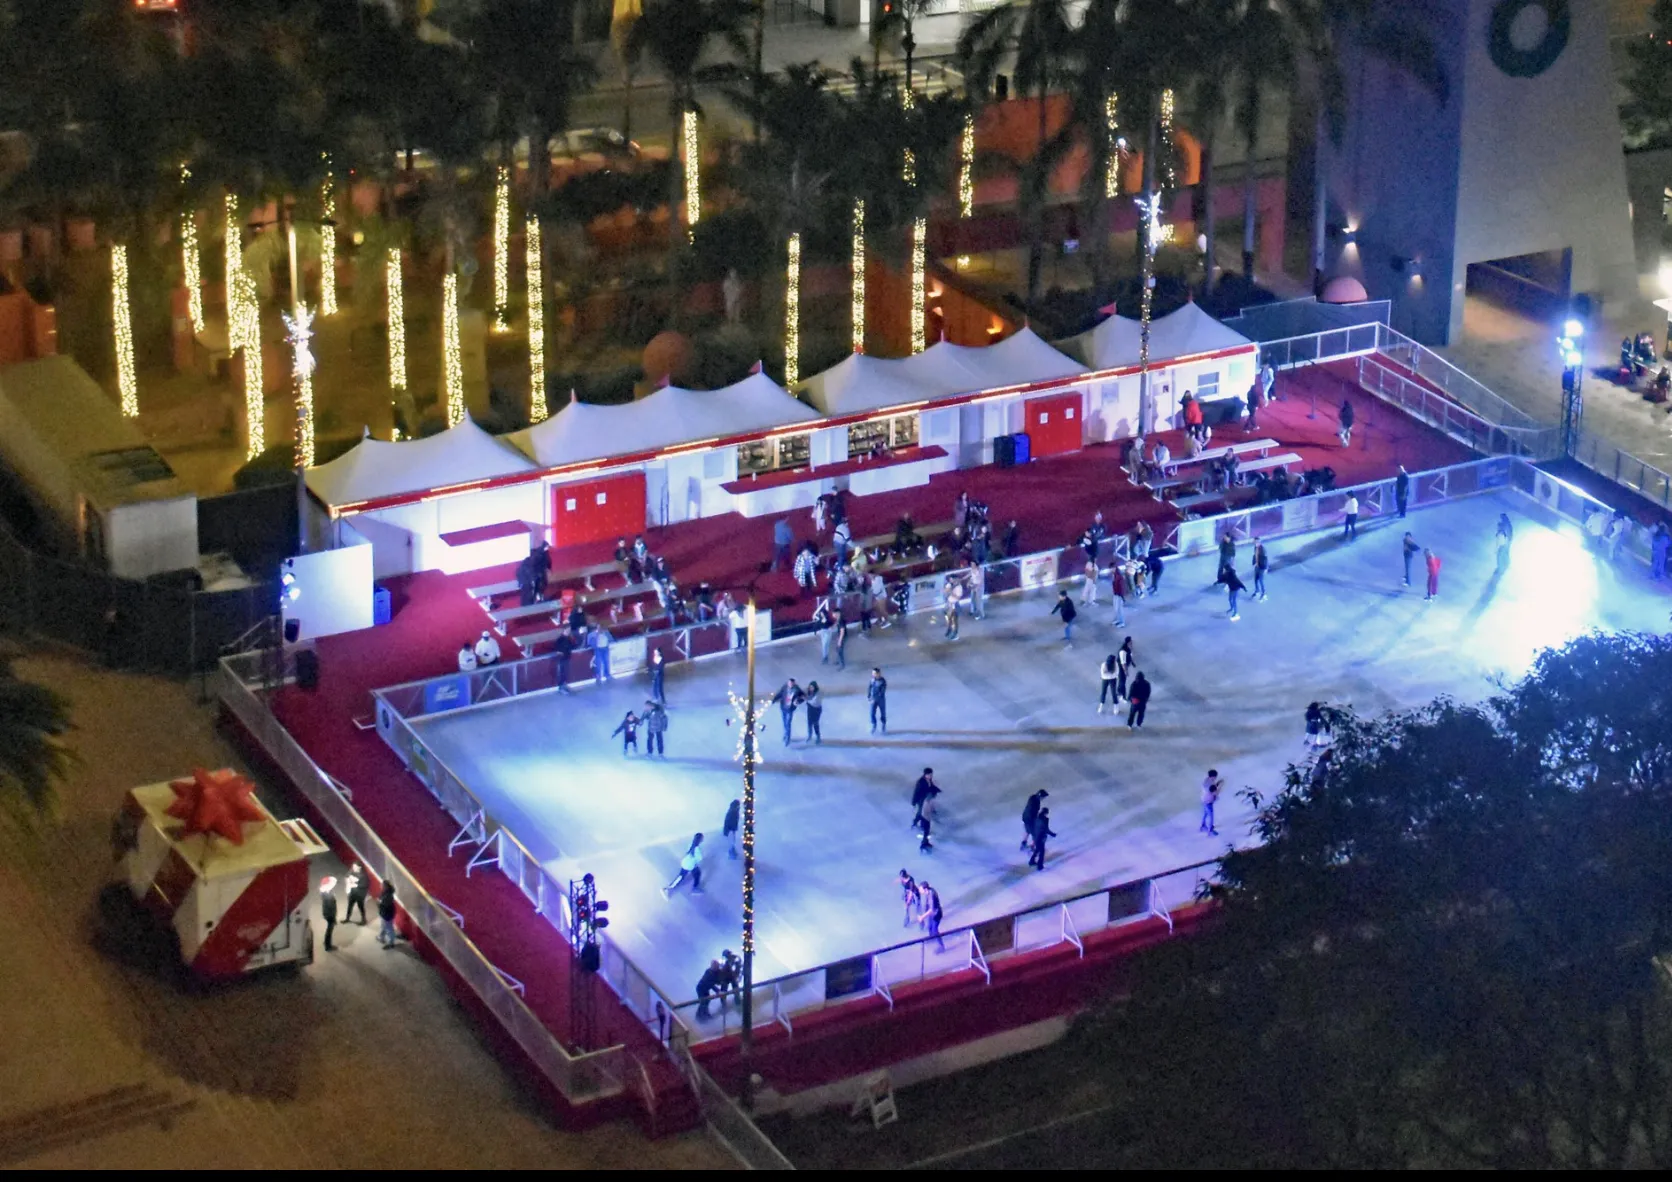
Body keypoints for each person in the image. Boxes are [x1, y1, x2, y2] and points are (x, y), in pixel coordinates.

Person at [773, 678, 803, 746]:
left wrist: (798, 701)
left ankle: (787, 738)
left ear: (794, 683)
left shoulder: (797, 689)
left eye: (791, 683)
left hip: (790, 709)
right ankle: (786, 734)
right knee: (784, 722)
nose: (790, 685)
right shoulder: (784, 687)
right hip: (783, 707)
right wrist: (774, 700)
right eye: (789, 683)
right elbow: (780, 694)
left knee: (788, 723)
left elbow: (802, 696)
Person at [917, 880, 945, 952]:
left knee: (935, 930)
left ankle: (941, 946)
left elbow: (931, 910)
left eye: (920, 889)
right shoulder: (928, 891)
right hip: (932, 914)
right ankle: (932, 938)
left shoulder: (931, 895)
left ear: (925, 889)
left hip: (937, 914)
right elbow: (926, 905)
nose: (919, 890)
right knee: (929, 927)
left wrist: (922, 917)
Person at [915, 783, 939, 854]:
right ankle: (923, 844)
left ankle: (925, 843)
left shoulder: (928, 800)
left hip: (925, 819)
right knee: (926, 832)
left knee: (926, 832)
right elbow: (928, 810)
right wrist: (933, 813)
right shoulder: (929, 801)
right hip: (926, 819)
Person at [319, 876, 339, 952]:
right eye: (332, 884)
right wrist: (334, 918)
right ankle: (328, 946)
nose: (333, 885)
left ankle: (326, 942)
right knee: (329, 930)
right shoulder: (328, 895)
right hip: (330, 914)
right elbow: (331, 908)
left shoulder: (325, 891)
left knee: (329, 929)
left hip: (327, 913)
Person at [1200, 770, 1222, 836]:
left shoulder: (1206, 780)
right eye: (1215, 777)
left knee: (1205, 813)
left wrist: (1216, 785)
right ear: (1213, 776)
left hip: (1204, 800)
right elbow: (1215, 792)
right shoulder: (1211, 784)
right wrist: (1219, 787)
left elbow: (1212, 788)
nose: (1215, 778)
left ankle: (1203, 826)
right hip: (1209, 801)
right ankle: (1210, 831)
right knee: (1211, 816)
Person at [377, 880, 399, 947]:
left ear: (385, 886)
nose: (380, 886)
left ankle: (391, 942)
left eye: (382, 885)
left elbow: (383, 904)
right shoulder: (386, 893)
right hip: (385, 913)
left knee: (389, 928)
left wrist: (379, 903)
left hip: (387, 914)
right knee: (383, 926)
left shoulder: (387, 895)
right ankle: (381, 937)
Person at [868, 668, 888, 734]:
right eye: (872, 673)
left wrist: (874, 698)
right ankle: (874, 725)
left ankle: (883, 725)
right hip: (873, 699)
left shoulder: (882, 681)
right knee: (872, 713)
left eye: (874, 673)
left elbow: (882, 691)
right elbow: (869, 688)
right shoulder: (872, 680)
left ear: (878, 674)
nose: (873, 675)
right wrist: (869, 697)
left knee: (883, 713)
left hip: (880, 700)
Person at [1251, 536, 1269, 600]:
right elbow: (1255, 555)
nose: (1253, 542)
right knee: (1255, 579)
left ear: (1258, 542)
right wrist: (1254, 563)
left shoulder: (1263, 549)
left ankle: (1264, 593)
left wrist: (1266, 568)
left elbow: (1265, 559)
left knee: (1261, 580)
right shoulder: (1255, 547)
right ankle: (1257, 591)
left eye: (1255, 541)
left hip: (1262, 567)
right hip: (1257, 566)